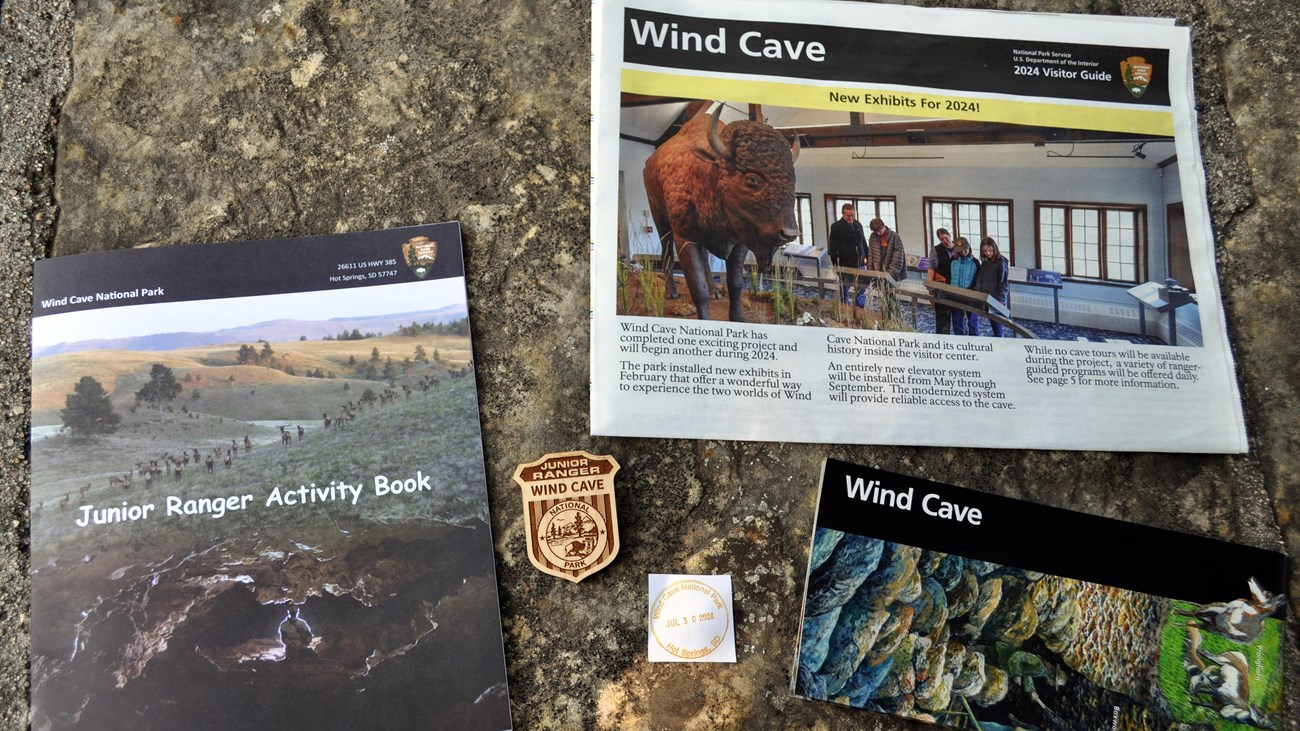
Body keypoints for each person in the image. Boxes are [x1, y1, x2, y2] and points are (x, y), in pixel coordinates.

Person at [827, 204, 867, 303]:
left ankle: (860, 309)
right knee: (844, 289)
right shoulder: (836, 226)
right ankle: (845, 309)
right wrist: (835, 264)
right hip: (845, 263)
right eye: (848, 216)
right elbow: (832, 246)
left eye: (853, 215)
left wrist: (867, 256)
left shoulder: (858, 224)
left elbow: (863, 242)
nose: (851, 218)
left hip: (860, 263)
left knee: (862, 288)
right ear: (843, 214)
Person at [972, 237, 1010, 337]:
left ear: (994, 249)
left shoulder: (1001, 262)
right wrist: (977, 293)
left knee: (996, 325)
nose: (988, 253)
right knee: (991, 322)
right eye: (985, 251)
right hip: (985, 297)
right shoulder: (985, 262)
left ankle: (999, 343)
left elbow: (1003, 283)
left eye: (990, 250)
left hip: (996, 298)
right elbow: (979, 279)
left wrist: (1001, 300)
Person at [948, 237, 980, 336]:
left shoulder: (975, 262)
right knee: (957, 322)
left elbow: (977, 280)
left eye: (965, 249)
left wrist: (972, 291)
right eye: (960, 250)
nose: (963, 252)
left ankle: (974, 341)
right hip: (956, 295)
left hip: (970, 296)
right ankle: (960, 341)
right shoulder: (953, 260)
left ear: (969, 247)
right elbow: (949, 276)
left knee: (972, 323)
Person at [928, 228, 956, 333]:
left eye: (946, 238)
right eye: (941, 239)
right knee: (942, 316)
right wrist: (930, 285)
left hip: (957, 285)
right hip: (942, 285)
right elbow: (931, 267)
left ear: (950, 235)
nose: (945, 241)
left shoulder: (959, 247)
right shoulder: (936, 250)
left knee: (958, 317)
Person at [866, 218, 906, 282]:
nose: (878, 233)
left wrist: (888, 275)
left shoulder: (895, 237)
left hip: (893, 273)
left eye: (879, 230)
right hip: (878, 273)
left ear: (883, 226)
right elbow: (870, 255)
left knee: (891, 290)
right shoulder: (873, 236)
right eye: (875, 231)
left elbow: (897, 259)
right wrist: (870, 272)